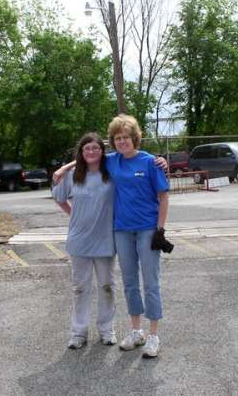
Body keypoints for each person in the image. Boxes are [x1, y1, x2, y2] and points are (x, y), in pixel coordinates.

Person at [54, 115, 169, 358]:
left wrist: (160, 228)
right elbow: (84, 161)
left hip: (133, 232)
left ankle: (141, 334)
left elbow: (162, 195)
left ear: (134, 138)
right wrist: (65, 167)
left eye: (126, 137)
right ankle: (115, 331)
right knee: (109, 285)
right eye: (118, 138)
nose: (122, 141)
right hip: (109, 234)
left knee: (134, 283)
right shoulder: (104, 164)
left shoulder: (133, 164)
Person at [52, 132, 117, 349]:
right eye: (86, 148)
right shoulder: (72, 176)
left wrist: (161, 162)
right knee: (80, 288)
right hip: (79, 241)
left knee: (107, 285)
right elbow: (60, 199)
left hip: (105, 239)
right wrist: (75, 216)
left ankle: (107, 330)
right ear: (81, 152)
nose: (91, 152)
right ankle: (79, 332)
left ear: (102, 151)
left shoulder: (112, 172)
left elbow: (129, 154)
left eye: (95, 148)